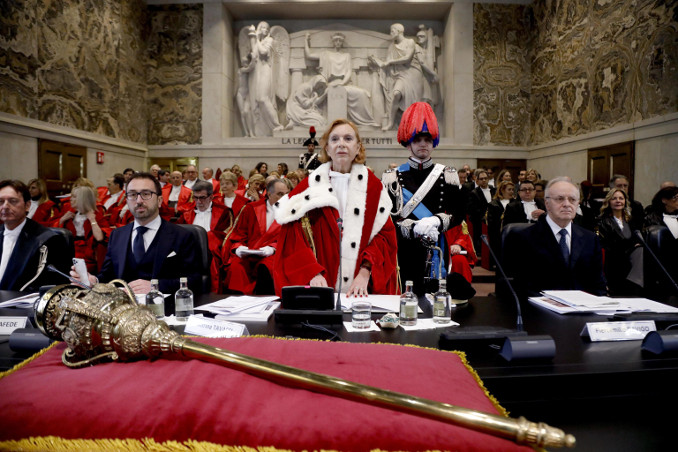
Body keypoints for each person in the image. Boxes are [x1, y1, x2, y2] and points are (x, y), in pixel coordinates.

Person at [275, 118, 398, 297]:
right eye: (334, 139)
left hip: (362, 291)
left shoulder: (374, 188)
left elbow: (385, 237)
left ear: (358, 147)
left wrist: (365, 272)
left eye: (348, 139)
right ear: (327, 148)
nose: (341, 144)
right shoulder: (309, 187)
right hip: (319, 287)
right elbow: (292, 238)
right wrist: (312, 272)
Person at [382, 102, 469, 297]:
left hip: (436, 247)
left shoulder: (447, 174)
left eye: (428, 139)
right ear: (409, 142)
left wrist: (437, 221)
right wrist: (411, 227)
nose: (423, 144)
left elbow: (459, 212)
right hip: (405, 249)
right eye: (418, 139)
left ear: (433, 142)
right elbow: (387, 217)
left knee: (434, 298)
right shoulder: (392, 177)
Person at [72, 172, 203, 295]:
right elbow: (108, 276)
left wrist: (155, 287)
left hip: (166, 311)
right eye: (133, 195)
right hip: (123, 313)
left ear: (159, 201)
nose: (139, 200)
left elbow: (195, 281)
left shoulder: (182, 235)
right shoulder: (117, 235)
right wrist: (94, 281)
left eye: (146, 194)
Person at [503, 177, 606, 298]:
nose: (567, 204)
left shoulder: (590, 238)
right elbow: (521, 285)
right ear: (547, 204)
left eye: (572, 199)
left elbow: (598, 283)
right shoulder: (524, 238)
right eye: (560, 199)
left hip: (583, 310)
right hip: (540, 311)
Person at [0, 180, 72, 291]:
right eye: (0, 201)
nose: (5, 206)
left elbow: (56, 286)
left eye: (12, 201)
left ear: (27, 205)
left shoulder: (49, 240)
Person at [223, 178, 289, 295]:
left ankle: (265, 303)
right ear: (268, 194)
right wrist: (239, 248)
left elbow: (290, 240)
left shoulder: (291, 214)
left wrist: (272, 248)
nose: (284, 198)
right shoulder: (251, 208)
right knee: (235, 266)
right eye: (280, 194)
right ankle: (236, 304)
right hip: (248, 253)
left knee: (266, 267)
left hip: (273, 255)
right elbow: (239, 233)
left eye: (286, 194)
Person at [304, 32, 380, 127]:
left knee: (362, 94)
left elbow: (348, 71)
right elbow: (309, 55)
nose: (338, 42)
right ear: (333, 42)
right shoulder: (326, 54)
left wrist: (342, 83)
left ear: (342, 42)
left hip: (344, 84)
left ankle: (367, 121)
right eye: (336, 40)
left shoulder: (346, 56)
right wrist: (306, 40)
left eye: (340, 40)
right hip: (330, 84)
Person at [369, 24, 425, 131]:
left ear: (399, 31)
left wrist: (389, 62)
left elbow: (407, 58)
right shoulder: (392, 46)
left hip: (413, 73)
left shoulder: (410, 42)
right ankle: (391, 123)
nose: (391, 33)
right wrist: (379, 63)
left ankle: (415, 125)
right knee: (396, 93)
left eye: (392, 31)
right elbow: (387, 65)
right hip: (400, 75)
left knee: (414, 101)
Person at [595, 188, 643, 296]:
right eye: (614, 198)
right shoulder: (603, 221)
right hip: (613, 258)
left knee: (642, 250)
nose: (618, 201)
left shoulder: (629, 220)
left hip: (630, 256)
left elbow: (636, 239)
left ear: (625, 201)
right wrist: (630, 246)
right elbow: (608, 244)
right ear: (609, 202)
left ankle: (635, 284)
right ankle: (634, 284)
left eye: (621, 198)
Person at [58, 185, 109, 273]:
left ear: (82, 199)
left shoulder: (96, 213)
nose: (70, 199)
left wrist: (92, 220)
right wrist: (62, 219)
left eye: (74, 197)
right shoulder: (72, 214)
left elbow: (100, 237)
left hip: (88, 253)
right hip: (71, 249)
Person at [485, 180, 514, 269]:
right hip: (497, 232)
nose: (512, 192)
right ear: (502, 190)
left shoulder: (515, 203)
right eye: (509, 190)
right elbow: (491, 221)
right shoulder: (493, 204)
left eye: (513, 189)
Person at [467, 169, 495, 256]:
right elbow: (472, 209)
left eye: (485, 178)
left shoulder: (494, 190)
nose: (484, 180)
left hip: (493, 220)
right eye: (481, 179)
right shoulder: (474, 193)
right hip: (480, 222)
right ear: (477, 180)